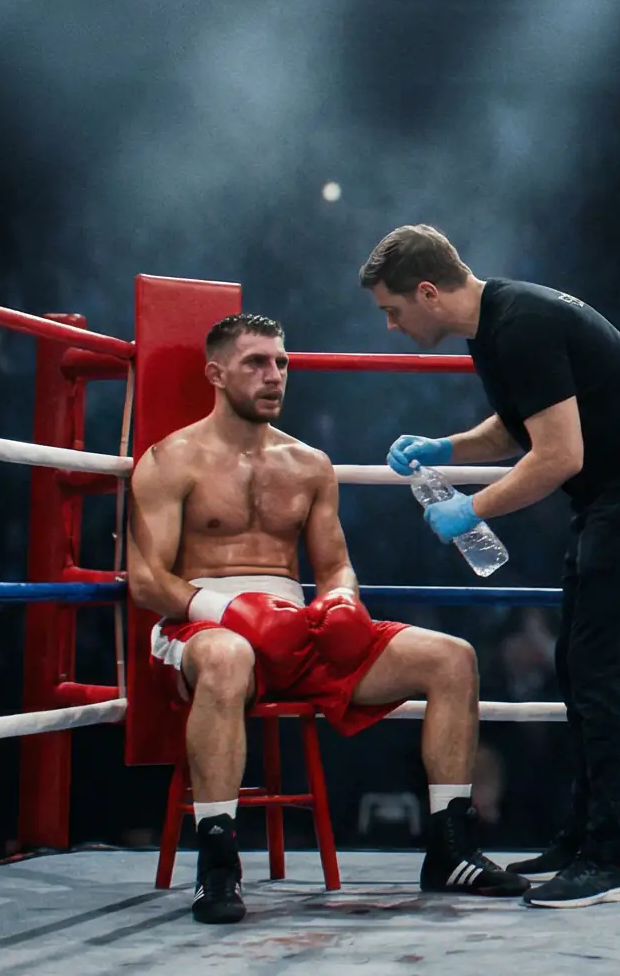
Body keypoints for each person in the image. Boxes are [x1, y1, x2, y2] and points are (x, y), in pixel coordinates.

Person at [128, 313, 525, 925]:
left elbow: (336, 565)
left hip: (294, 630)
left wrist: (339, 601)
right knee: (230, 656)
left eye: (281, 363)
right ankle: (218, 862)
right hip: (201, 627)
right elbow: (147, 579)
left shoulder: (309, 464)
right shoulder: (171, 460)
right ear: (215, 372)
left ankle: (451, 848)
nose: (274, 375)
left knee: (452, 659)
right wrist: (227, 610)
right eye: (256, 362)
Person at [364, 225, 620, 909]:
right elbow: (519, 428)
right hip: (615, 498)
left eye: (393, 310)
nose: (392, 326)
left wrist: (472, 510)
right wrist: (444, 448)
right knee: (578, 667)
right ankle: (583, 838)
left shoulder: (519, 324)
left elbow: (558, 456)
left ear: (427, 291)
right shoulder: (498, 324)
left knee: (604, 672)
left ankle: (612, 858)